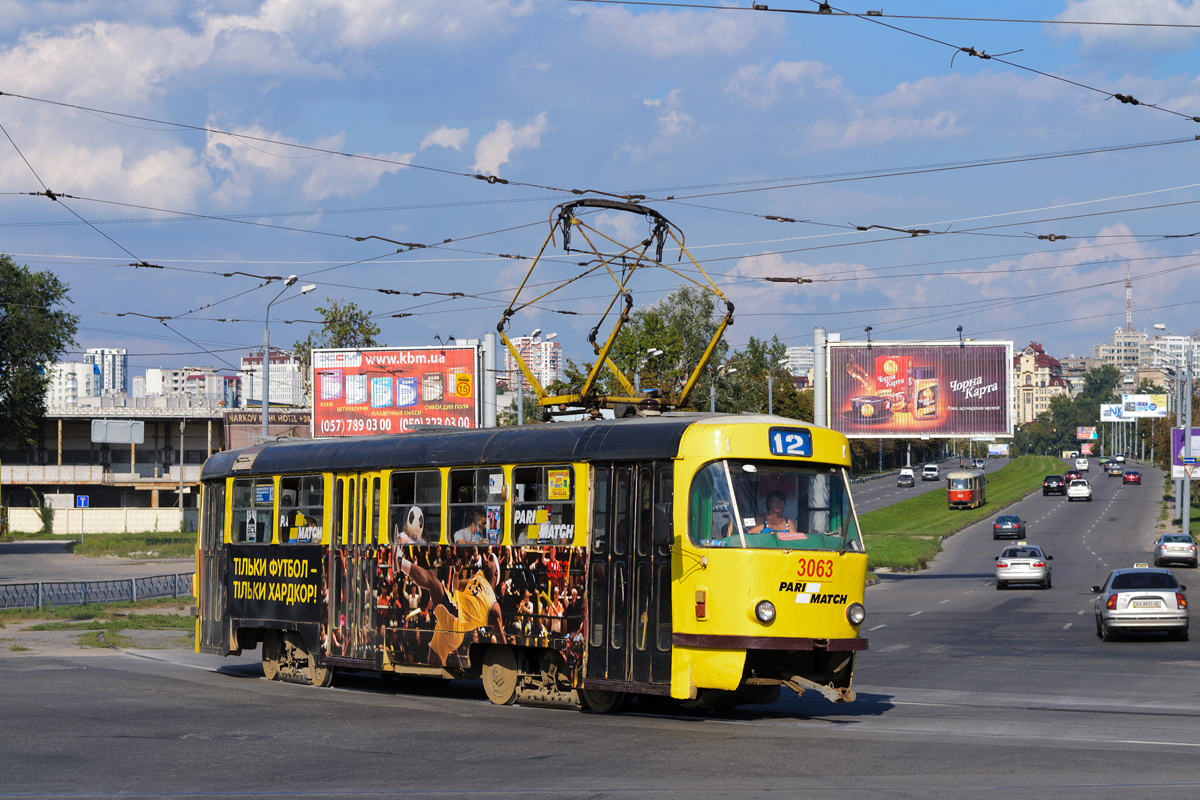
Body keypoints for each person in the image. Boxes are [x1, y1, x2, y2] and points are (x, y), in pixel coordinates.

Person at [395, 548, 506, 666]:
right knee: (434, 659)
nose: (486, 560)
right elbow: (456, 587)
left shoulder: (494, 606)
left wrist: (508, 668)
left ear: (496, 573)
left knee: (432, 579)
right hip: (454, 615)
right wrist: (456, 574)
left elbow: (502, 642)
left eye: (490, 559)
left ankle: (399, 561)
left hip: (457, 622)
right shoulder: (478, 576)